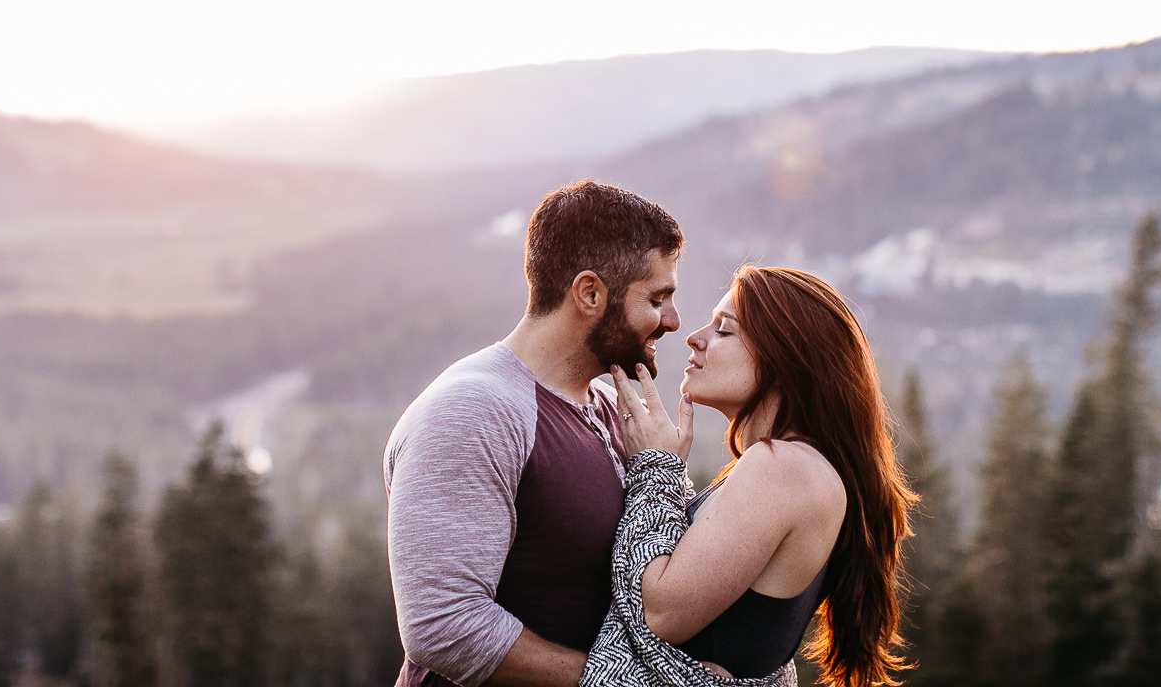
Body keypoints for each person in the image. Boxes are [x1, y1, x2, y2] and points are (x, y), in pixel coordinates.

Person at [384, 180, 685, 687]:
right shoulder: (473, 410)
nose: (673, 321)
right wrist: (616, 682)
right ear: (590, 293)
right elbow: (441, 625)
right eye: (657, 298)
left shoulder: (611, 405)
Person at [584, 265, 914, 687]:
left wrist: (654, 466)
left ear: (785, 357)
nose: (695, 337)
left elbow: (661, 615)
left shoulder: (784, 467)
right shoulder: (791, 466)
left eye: (724, 330)